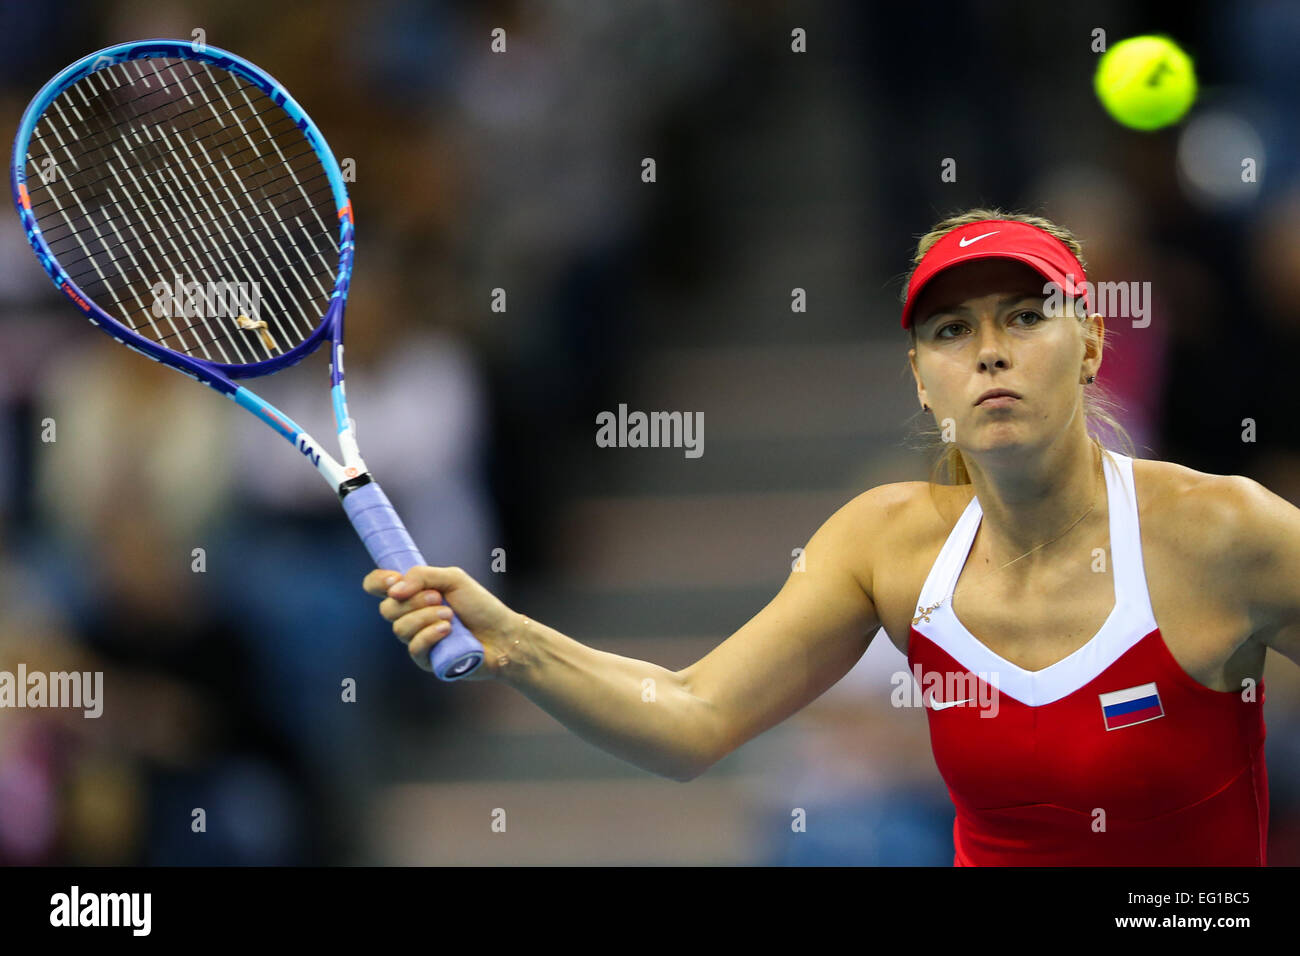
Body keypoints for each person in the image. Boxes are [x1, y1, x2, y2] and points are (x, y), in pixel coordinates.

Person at [362, 210, 1300, 865]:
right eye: (950, 329)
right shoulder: (882, 544)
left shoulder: (1223, 531)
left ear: (1091, 345)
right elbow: (692, 717)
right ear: (923, 380)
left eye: (1025, 315)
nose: (989, 349)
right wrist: (513, 643)